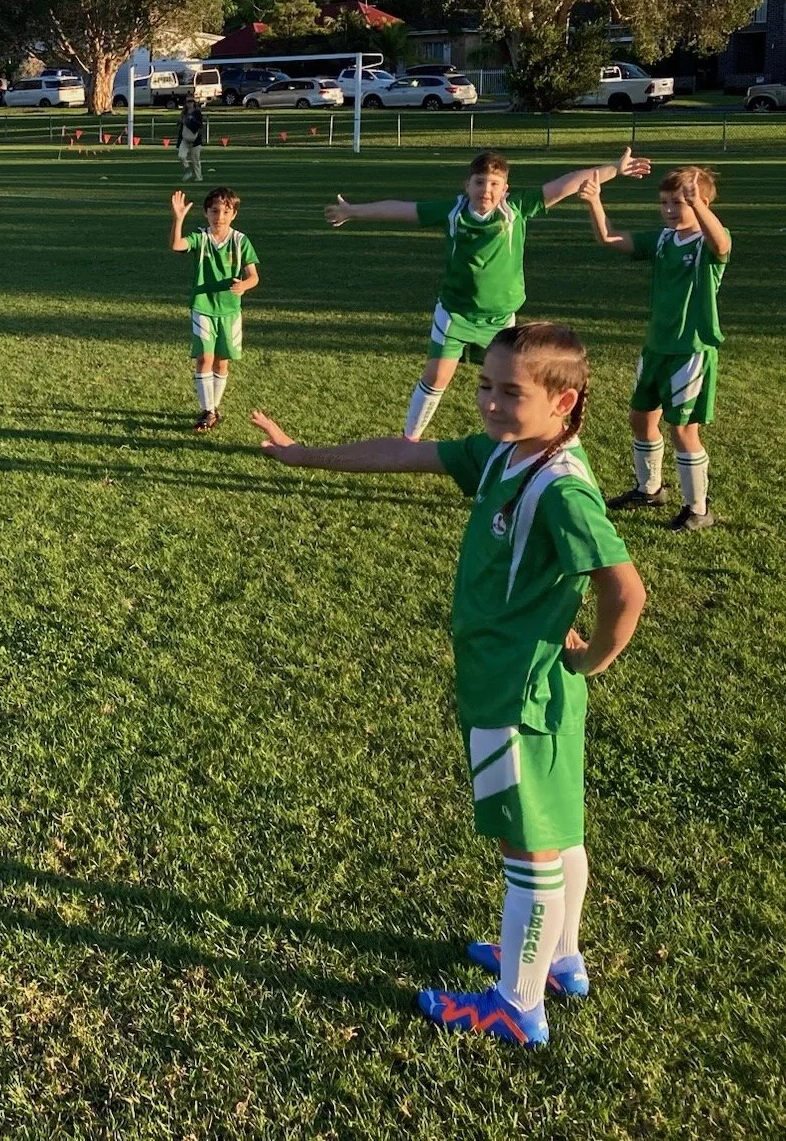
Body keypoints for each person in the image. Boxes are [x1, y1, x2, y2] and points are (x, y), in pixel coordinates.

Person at [252, 323, 646, 1048]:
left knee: (524, 846)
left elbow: (624, 588)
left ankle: (517, 1003)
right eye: (485, 384)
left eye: (510, 391)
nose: (491, 402)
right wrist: (301, 453)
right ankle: (560, 958)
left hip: (515, 695)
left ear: (563, 401)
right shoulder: (510, 453)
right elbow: (406, 451)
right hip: (531, 689)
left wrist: (594, 656)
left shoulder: (558, 489)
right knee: (557, 829)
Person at [325, 147, 652, 440]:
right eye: (480, 182)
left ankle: (514, 436)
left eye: (494, 183)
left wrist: (613, 168)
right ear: (467, 186)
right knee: (437, 375)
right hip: (456, 313)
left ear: (505, 189)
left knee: (510, 381)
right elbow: (401, 209)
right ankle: (409, 440)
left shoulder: (518, 209)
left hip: (500, 318)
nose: (486, 189)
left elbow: (568, 182)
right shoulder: (452, 212)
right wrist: (354, 211)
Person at [579, 168, 731, 532]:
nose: (669, 210)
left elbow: (722, 243)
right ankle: (649, 489)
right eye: (664, 203)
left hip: (690, 350)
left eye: (678, 202)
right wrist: (594, 202)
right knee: (641, 420)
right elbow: (609, 238)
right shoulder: (664, 240)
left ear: (702, 202)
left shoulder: (708, 242)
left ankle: (698, 508)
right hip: (657, 346)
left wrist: (696, 204)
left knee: (682, 430)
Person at [169, 187, 259, 431]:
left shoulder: (241, 241)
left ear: (234, 214)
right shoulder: (202, 237)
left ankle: (213, 409)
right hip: (203, 307)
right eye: (214, 211)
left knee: (221, 362)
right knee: (204, 358)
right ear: (206, 214)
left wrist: (244, 286)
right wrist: (178, 220)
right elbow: (177, 245)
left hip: (230, 311)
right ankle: (207, 410)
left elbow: (254, 277)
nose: (220, 216)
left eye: (225, 211)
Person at [176, 97, 207, 182]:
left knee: (195, 160)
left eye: (191, 102)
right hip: (185, 138)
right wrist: (179, 121)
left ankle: (199, 177)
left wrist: (186, 121)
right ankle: (187, 170)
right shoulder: (184, 113)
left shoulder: (197, 113)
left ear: (194, 103)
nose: (189, 104)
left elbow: (198, 125)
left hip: (195, 140)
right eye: (187, 102)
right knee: (181, 155)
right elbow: (179, 123)